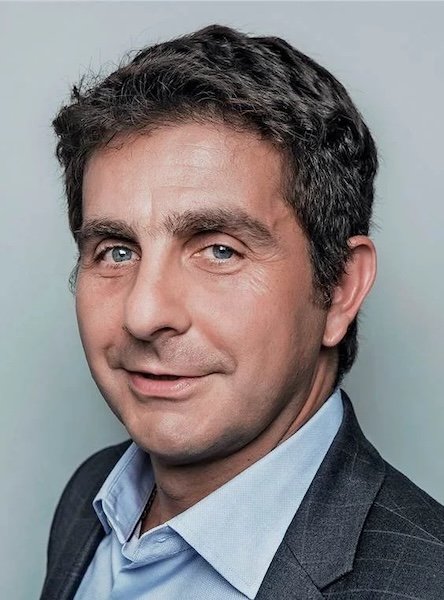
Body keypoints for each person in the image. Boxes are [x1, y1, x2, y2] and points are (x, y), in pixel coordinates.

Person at [40, 24, 444, 600]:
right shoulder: (89, 497)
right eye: (117, 251)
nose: (143, 314)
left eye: (220, 250)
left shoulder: (424, 581)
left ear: (339, 287)